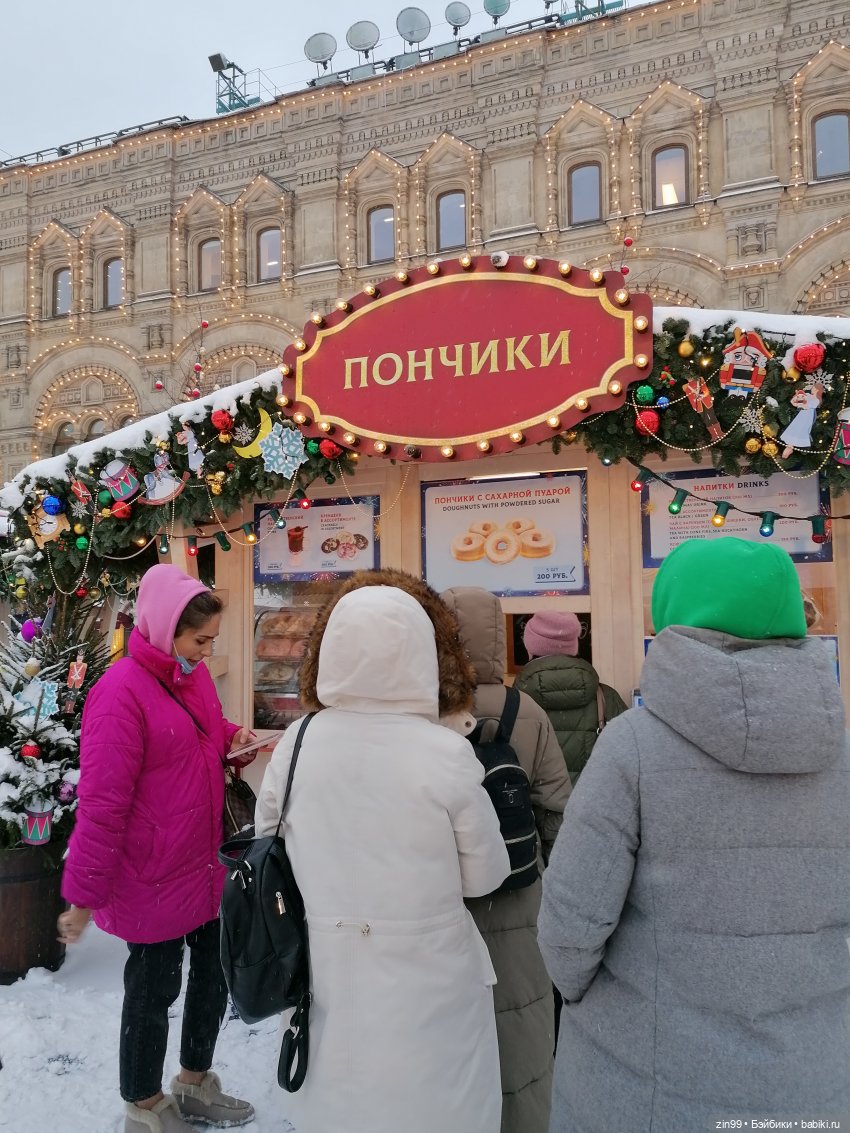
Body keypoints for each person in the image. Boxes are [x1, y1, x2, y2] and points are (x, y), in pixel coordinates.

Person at [538, 537, 850, 1131]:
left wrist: (586, 998)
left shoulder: (631, 747)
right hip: (813, 1078)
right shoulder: (841, 753)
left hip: (646, 1079)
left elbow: (570, 929)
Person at [255, 582, 510, 1133]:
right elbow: (487, 874)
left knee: (338, 1108)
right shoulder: (445, 751)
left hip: (325, 971)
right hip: (431, 981)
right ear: (418, 653)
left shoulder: (299, 742)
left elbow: (268, 846)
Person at [57, 564, 255, 1133]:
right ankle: (142, 1107)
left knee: (212, 976)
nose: (206, 650)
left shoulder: (190, 678)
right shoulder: (118, 693)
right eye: (200, 640)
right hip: (151, 872)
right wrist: (84, 898)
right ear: (166, 628)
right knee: (152, 989)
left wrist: (234, 739)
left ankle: (194, 1083)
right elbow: (102, 803)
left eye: (213, 639)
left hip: (204, 860)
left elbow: (204, 735)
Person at [441, 586, 571, 1133]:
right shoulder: (529, 710)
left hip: (448, 896)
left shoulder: (430, 712)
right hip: (522, 894)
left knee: (451, 1036)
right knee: (521, 1029)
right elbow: (555, 808)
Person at [514, 610, 626, 786]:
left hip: (535, 809)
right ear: (573, 646)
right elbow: (629, 759)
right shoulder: (606, 697)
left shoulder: (513, 700)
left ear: (530, 646)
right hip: (592, 807)